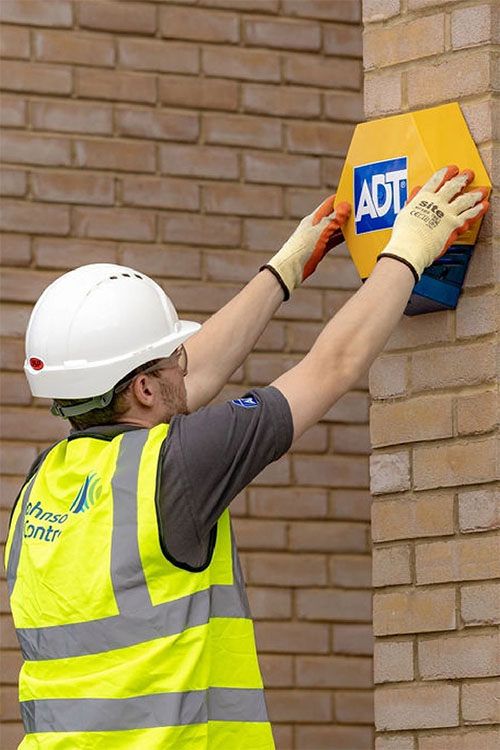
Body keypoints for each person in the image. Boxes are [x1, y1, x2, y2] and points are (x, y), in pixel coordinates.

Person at [5, 166, 488, 749]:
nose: (184, 360)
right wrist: (408, 249)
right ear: (145, 391)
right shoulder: (174, 465)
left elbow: (193, 373)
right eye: (169, 358)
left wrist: (283, 270)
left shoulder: (40, 486)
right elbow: (330, 369)